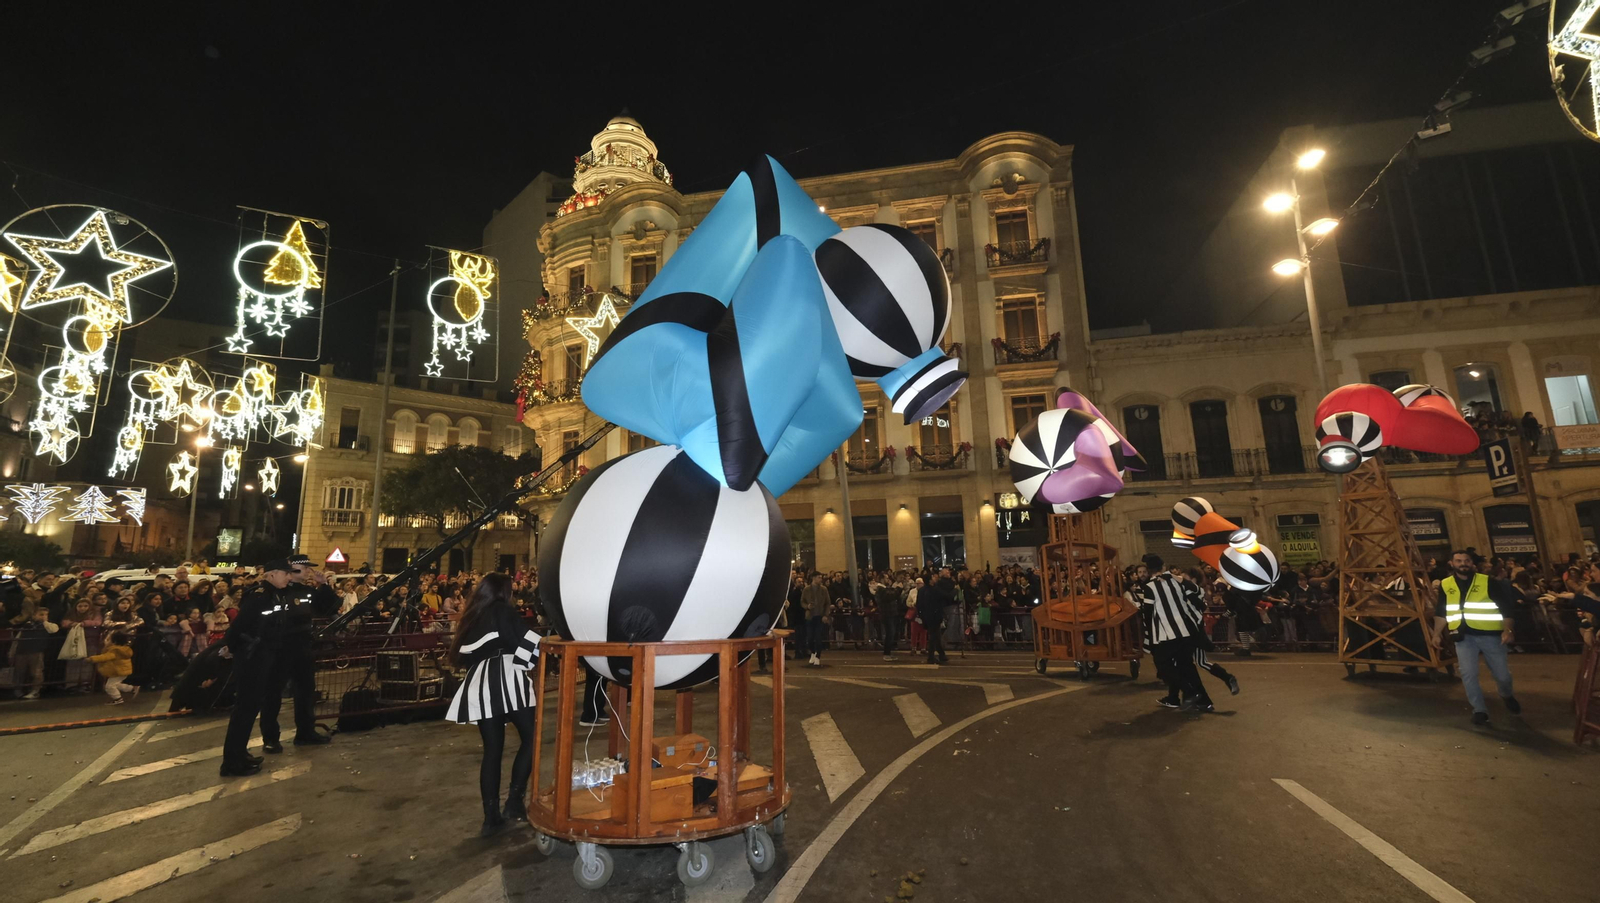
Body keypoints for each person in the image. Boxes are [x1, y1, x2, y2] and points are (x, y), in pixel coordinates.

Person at [445, 573, 542, 837]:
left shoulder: (473, 614)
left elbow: (462, 655)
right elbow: (523, 642)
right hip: (506, 675)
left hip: (479, 681)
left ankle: (491, 817)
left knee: (492, 751)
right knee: (532, 738)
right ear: (503, 591)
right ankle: (514, 801)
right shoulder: (502, 610)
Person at [219, 558, 306, 777]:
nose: (289, 576)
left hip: (262, 656)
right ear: (272, 574)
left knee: (250, 708)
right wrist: (234, 648)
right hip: (252, 658)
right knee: (245, 709)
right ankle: (232, 762)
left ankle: (239, 754)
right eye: (286, 573)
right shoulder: (260, 596)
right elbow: (239, 628)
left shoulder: (274, 595)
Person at [258, 556, 340, 753]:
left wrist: (324, 586)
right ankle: (270, 737)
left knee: (305, 691)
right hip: (279, 647)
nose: (308, 572)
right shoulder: (273, 591)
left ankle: (305, 732)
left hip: (302, 645)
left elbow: (329, 608)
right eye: (304, 569)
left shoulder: (307, 590)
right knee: (272, 694)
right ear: (292, 570)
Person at [1433, 550, 1521, 725]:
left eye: (1466, 560)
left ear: (1472, 563)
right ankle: (1479, 710)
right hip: (1463, 636)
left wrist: (1507, 630)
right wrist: (1436, 634)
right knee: (1468, 674)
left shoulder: (1487, 582)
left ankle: (1506, 694)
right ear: (1452, 563)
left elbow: (1505, 608)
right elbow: (1442, 611)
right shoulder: (1446, 584)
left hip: (1491, 635)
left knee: (1502, 675)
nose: (1463, 563)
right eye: (1458, 561)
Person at [1141, 554, 1213, 712]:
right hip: (1186, 631)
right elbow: (1198, 591)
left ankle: (1190, 693)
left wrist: (1148, 635)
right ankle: (1204, 701)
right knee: (1186, 666)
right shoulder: (1177, 581)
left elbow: (1147, 612)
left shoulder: (1149, 587)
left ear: (1148, 570)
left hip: (1166, 634)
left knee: (1164, 666)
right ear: (1164, 566)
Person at [11, 607, 59, 699]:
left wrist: (45, 622)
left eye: (46, 615)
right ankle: (18, 689)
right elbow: (18, 638)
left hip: (37, 651)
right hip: (22, 651)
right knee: (19, 671)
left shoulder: (47, 625)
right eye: (41, 614)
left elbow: (54, 629)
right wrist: (12, 652)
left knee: (36, 672)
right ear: (34, 615)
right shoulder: (27, 625)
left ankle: (35, 691)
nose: (44, 617)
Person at [88, 631, 137, 704]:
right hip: (122, 671)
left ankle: (118, 699)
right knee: (116, 684)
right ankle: (132, 688)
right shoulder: (124, 649)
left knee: (109, 686)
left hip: (118, 671)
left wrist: (91, 659)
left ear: (114, 641)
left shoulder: (115, 650)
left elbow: (105, 657)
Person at [919, 568, 954, 665]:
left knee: (936, 636)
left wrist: (922, 616)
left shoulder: (922, 590)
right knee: (934, 637)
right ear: (930, 580)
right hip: (934, 615)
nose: (935, 578)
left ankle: (941, 655)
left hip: (927, 616)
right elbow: (947, 596)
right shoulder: (934, 590)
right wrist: (955, 590)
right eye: (933, 577)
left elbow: (919, 605)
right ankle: (931, 657)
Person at [801, 573, 830, 666]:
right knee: (809, 638)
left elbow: (827, 603)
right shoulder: (806, 589)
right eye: (819, 577)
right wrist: (807, 606)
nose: (821, 579)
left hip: (820, 616)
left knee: (818, 638)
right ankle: (813, 652)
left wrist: (826, 615)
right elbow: (802, 601)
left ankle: (818, 656)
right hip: (810, 616)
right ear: (813, 578)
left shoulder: (824, 589)